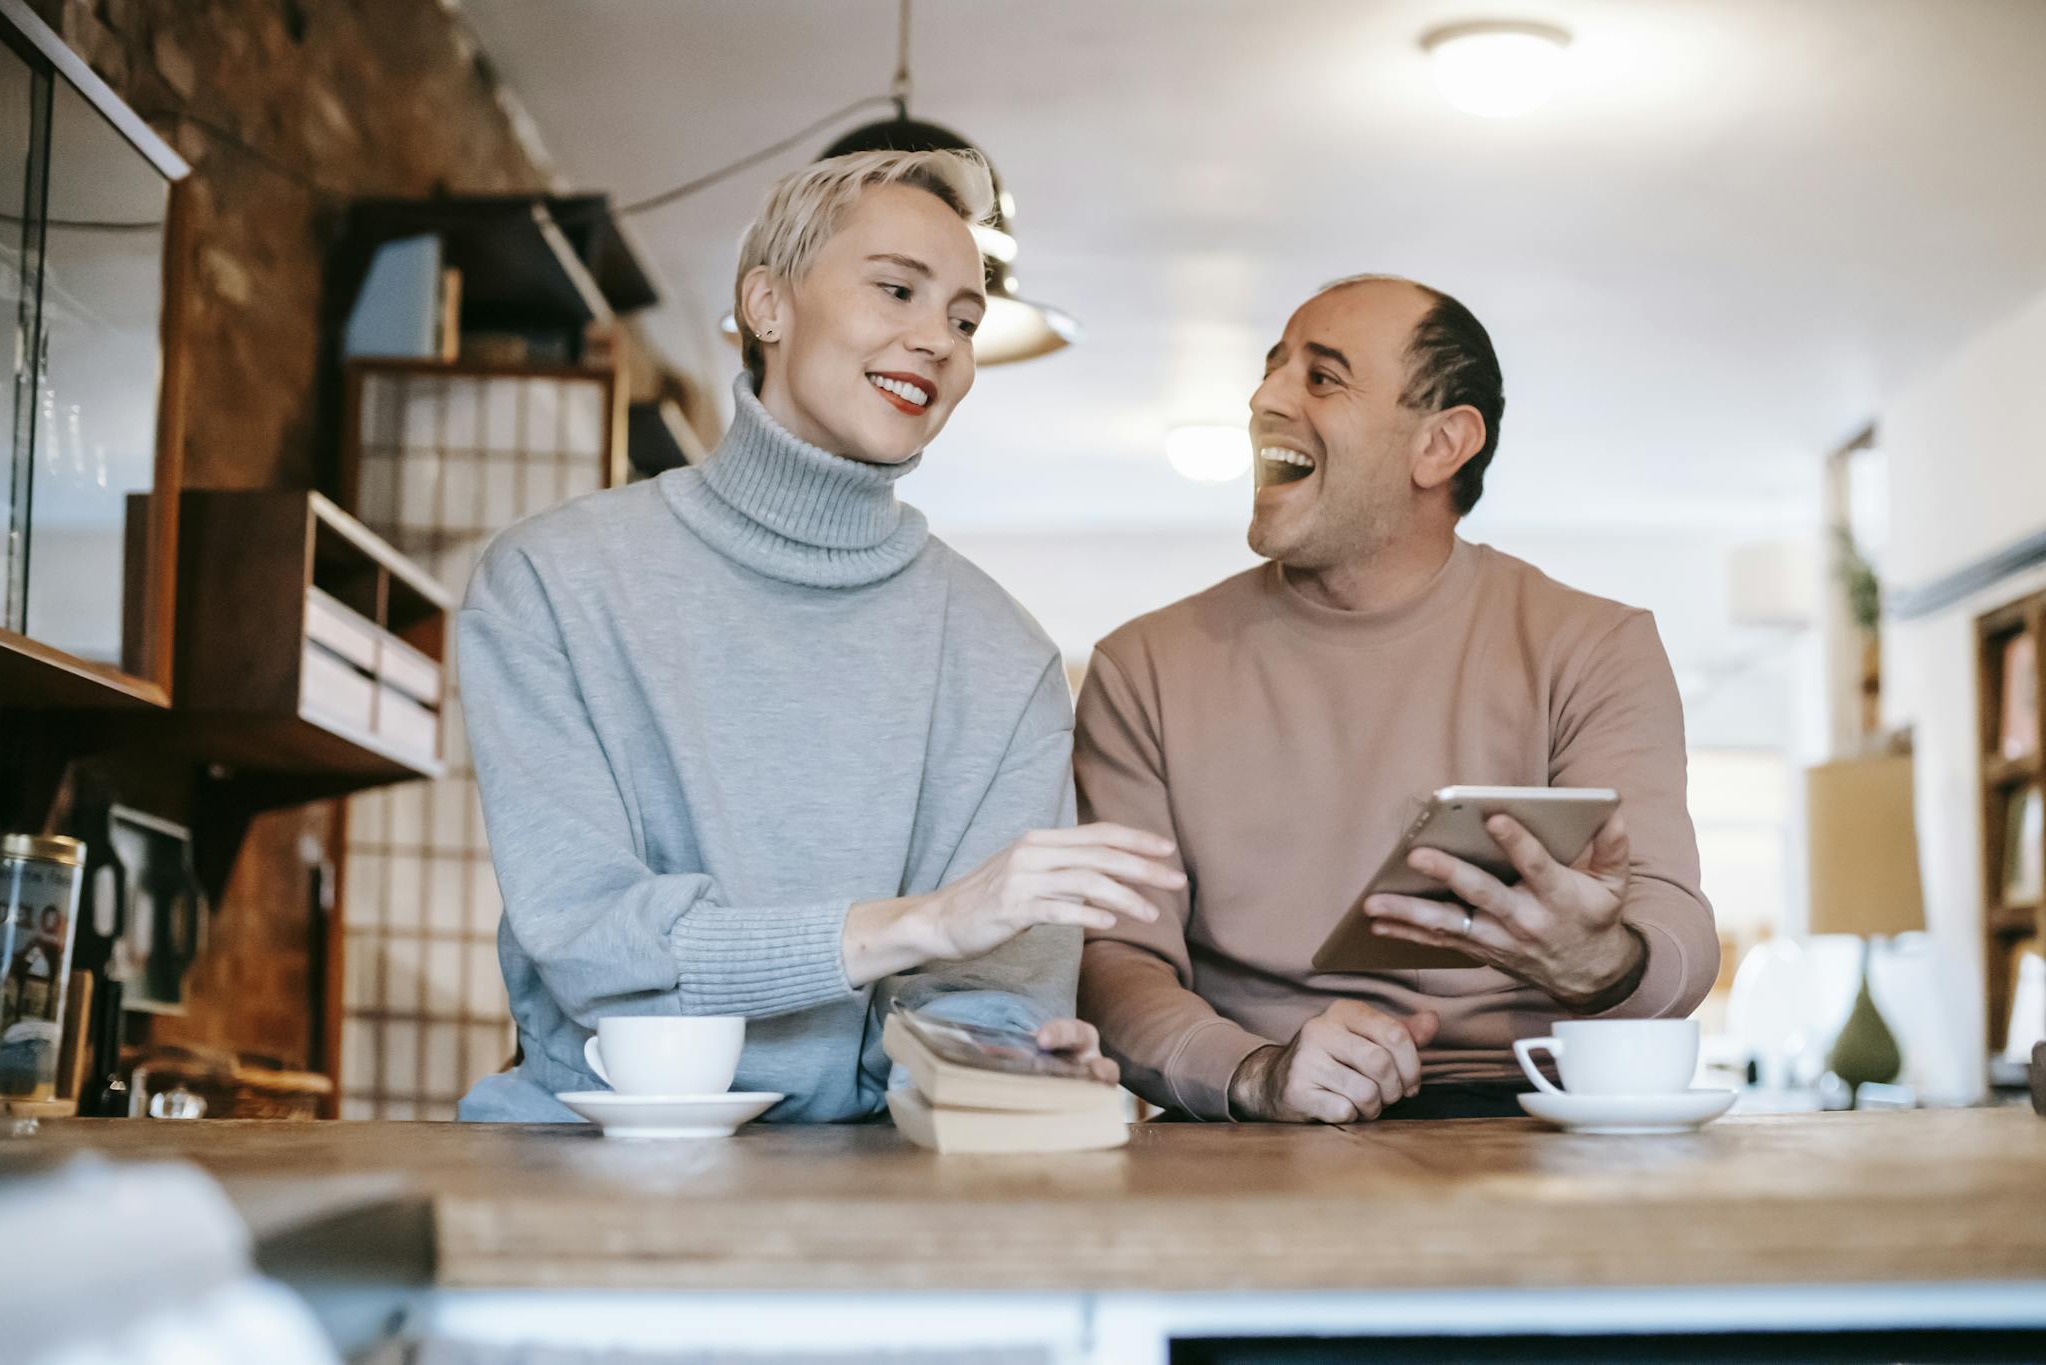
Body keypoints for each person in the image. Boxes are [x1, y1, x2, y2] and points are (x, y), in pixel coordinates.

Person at [457, 149, 1181, 1123]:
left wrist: (1010, 1061)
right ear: (766, 304)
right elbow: (594, 944)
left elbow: (987, 998)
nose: (937, 341)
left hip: (877, 1187)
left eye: (964, 321)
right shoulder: (552, 582)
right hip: (576, 1163)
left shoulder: (1001, 656)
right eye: (896, 290)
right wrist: (918, 925)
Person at [1075, 275, 1719, 1123]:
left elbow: (1673, 929)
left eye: (1322, 376)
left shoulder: (1596, 645)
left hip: (1533, 1121)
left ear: (1441, 445)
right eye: (1273, 369)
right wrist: (1258, 1072)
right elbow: (1114, 962)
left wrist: (1601, 960)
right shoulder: (1140, 667)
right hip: (1252, 1121)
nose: (1263, 397)